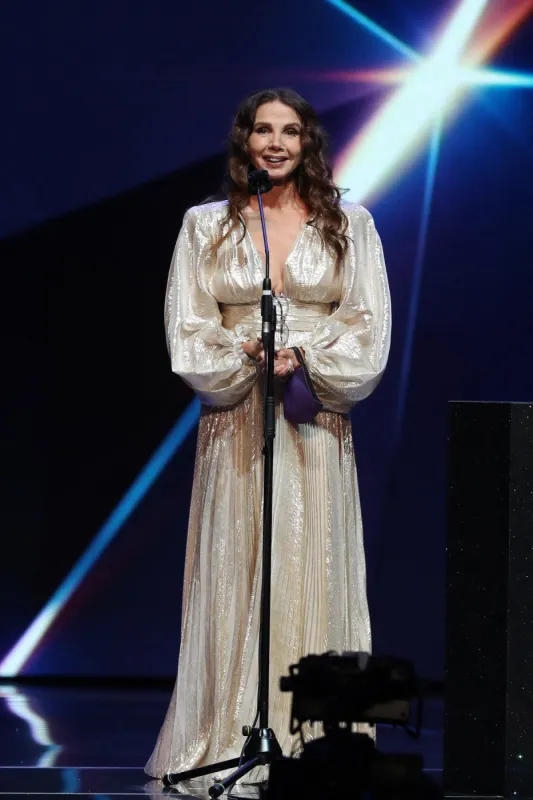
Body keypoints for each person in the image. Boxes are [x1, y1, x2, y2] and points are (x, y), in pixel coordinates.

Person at [145, 88, 391, 781]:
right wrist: (247, 352)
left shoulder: (350, 223)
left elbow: (366, 322)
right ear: (243, 141)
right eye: (262, 130)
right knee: (241, 563)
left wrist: (307, 357)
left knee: (311, 560)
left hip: (313, 418)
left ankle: (316, 738)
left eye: (289, 130)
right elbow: (188, 326)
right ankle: (229, 728)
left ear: (307, 141)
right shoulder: (206, 226)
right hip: (238, 420)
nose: (276, 142)